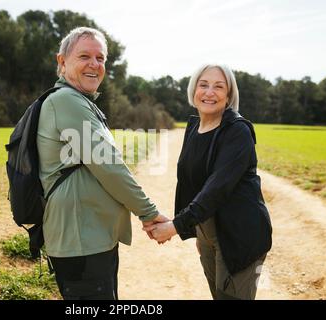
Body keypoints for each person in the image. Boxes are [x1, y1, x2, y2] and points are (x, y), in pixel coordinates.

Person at [37, 27, 168, 300]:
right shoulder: (67, 101)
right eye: (84, 56)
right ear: (61, 61)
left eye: (101, 58)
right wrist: (148, 212)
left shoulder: (78, 101)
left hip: (90, 237)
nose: (94, 64)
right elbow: (110, 168)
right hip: (82, 242)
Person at [143, 64, 272, 300]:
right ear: (194, 90)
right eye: (203, 85)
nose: (209, 92)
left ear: (229, 95)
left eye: (218, 86)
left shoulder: (238, 131)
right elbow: (190, 183)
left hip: (239, 235)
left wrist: (175, 226)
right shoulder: (194, 127)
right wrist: (198, 231)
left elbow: (216, 188)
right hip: (208, 232)